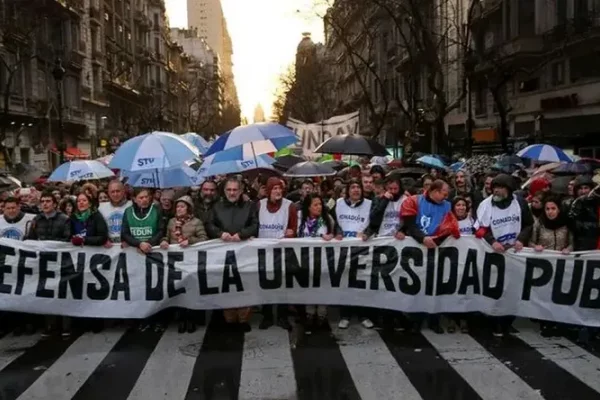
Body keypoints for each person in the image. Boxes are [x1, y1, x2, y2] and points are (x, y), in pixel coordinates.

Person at [475, 174, 533, 337]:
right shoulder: (485, 205)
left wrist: (521, 239)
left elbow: (529, 224)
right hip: (494, 253)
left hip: (514, 253)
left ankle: (508, 320)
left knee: (513, 289)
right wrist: (492, 241)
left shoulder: (520, 203)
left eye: (501, 188)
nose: (497, 191)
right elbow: (479, 229)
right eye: (495, 187)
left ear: (508, 189)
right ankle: (495, 322)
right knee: (495, 288)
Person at [401, 179, 458, 333]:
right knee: (417, 286)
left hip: (437, 250)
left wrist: (437, 241)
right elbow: (410, 225)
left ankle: (434, 320)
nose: (445, 197)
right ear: (434, 191)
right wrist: (423, 238)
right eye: (443, 194)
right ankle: (416, 320)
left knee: (436, 287)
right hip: (417, 250)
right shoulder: (414, 201)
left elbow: (450, 227)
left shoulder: (446, 205)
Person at [205, 177, 258, 332]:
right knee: (226, 285)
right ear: (224, 191)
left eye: (235, 189)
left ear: (240, 190)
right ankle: (228, 318)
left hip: (244, 252)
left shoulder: (249, 206)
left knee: (245, 284)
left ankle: (243, 319)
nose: (232, 192)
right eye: (229, 189)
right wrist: (220, 233)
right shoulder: (217, 206)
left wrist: (241, 234)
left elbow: (255, 225)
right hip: (224, 253)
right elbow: (209, 224)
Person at [517, 195, 573, 337]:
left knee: (559, 293)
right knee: (545, 294)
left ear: (559, 209)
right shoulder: (539, 224)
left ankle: (558, 322)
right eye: (547, 209)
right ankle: (545, 322)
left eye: (553, 208)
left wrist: (569, 249)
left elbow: (572, 242)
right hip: (544, 266)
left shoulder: (566, 224)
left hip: (562, 265)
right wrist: (536, 247)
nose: (550, 212)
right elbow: (530, 242)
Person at [26, 190, 71, 338]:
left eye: (48, 201)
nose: (45, 204)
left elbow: (68, 239)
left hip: (61, 262)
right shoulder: (36, 220)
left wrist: (50, 245)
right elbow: (30, 239)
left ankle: (66, 326)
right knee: (46, 292)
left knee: (62, 292)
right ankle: (50, 325)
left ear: (55, 204)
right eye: (43, 201)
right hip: (43, 262)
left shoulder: (64, 219)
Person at [160, 196, 208, 333]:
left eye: (182, 206)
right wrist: (164, 241)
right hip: (175, 261)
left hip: (191, 261)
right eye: (178, 207)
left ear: (189, 208)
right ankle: (181, 318)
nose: (179, 209)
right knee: (179, 289)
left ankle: (191, 318)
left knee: (191, 289)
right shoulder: (171, 222)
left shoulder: (196, 222)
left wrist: (190, 240)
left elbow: (204, 238)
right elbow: (166, 236)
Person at [331, 178, 374, 329]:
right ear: (348, 190)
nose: (356, 190)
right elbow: (334, 221)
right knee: (345, 282)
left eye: (358, 187)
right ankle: (345, 315)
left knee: (362, 282)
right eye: (353, 187)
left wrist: (367, 233)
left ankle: (364, 315)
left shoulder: (370, 204)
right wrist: (337, 232)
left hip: (362, 248)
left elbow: (374, 223)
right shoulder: (339, 203)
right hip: (344, 249)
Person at [257, 177, 297, 331]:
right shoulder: (259, 205)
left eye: (280, 188)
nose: (278, 191)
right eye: (274, 188)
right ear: (268, 190)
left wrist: (291, 232)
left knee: (282, 284)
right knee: (265, 284)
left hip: (282, 252)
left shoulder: (290, 206)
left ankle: (282, 316)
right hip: (263, 252)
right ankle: (267, 316)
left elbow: (294, 228)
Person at [70, 192, 109, 335]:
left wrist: (85, 240)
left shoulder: (96, 216)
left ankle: (96, 321)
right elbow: (68, 235)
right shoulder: (73, 218)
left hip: (93, 259)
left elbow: (102, 237)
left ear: (90, 203)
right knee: (79, 289)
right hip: (78, 259)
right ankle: (81, 321)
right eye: (79, 201)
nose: (81, 203)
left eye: (84, 200)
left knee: (93, 289)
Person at [98, 180, 132, 245]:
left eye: (118, 191)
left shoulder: (131, 205)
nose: (115, 194)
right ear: (108, 193)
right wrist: (104, 241)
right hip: (109, 247)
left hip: (128, 246)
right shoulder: (101, 208)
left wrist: (129, 240)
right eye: (112, 192)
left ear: (123, 191)